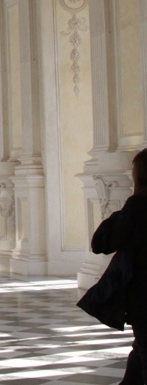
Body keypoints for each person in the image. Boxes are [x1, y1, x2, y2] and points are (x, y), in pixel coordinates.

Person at [89, 149, 147, 384]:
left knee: (144, 347)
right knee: (141, 349)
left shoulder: (137, 206)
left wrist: (118, 216)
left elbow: (106, 243)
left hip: (143, 293)